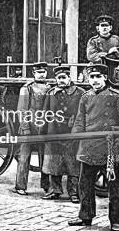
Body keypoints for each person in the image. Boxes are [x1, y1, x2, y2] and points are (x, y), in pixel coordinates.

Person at [68, 64, 119, 231]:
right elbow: (79, 120)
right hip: (88, 147)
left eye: (98, 77)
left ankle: (116, 221)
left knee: (115, 188)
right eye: (92, 77)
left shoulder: (116, 97)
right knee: (85, 185)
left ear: (105, 77)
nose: (95, 81)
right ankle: (85, 216)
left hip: (110, 149)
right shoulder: (85, 97)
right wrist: (75, 136)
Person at [41, 65, 84, 203]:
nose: (61, 80)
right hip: (53, 132)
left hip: (72, 132)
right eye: (58, 78)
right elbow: (45, 113)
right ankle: (56, 190)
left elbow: (83, 112)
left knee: (73, 165)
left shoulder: (80, 92)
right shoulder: (51, 93)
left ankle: (74, 193)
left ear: (69, 78)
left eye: (63, 77)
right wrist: (43, 131)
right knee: (54, 163)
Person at [13, 61, 50, 195]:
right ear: (33, 73)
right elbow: (21, 110)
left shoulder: (49, 87)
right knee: (24, 158)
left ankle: (47, 187)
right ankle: (20, 186)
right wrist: (25, 127)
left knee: (45, 158)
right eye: (39, 72)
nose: (42, 75)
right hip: (28, 128)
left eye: (44, 72)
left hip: (43, 128)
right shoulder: (27, 88)